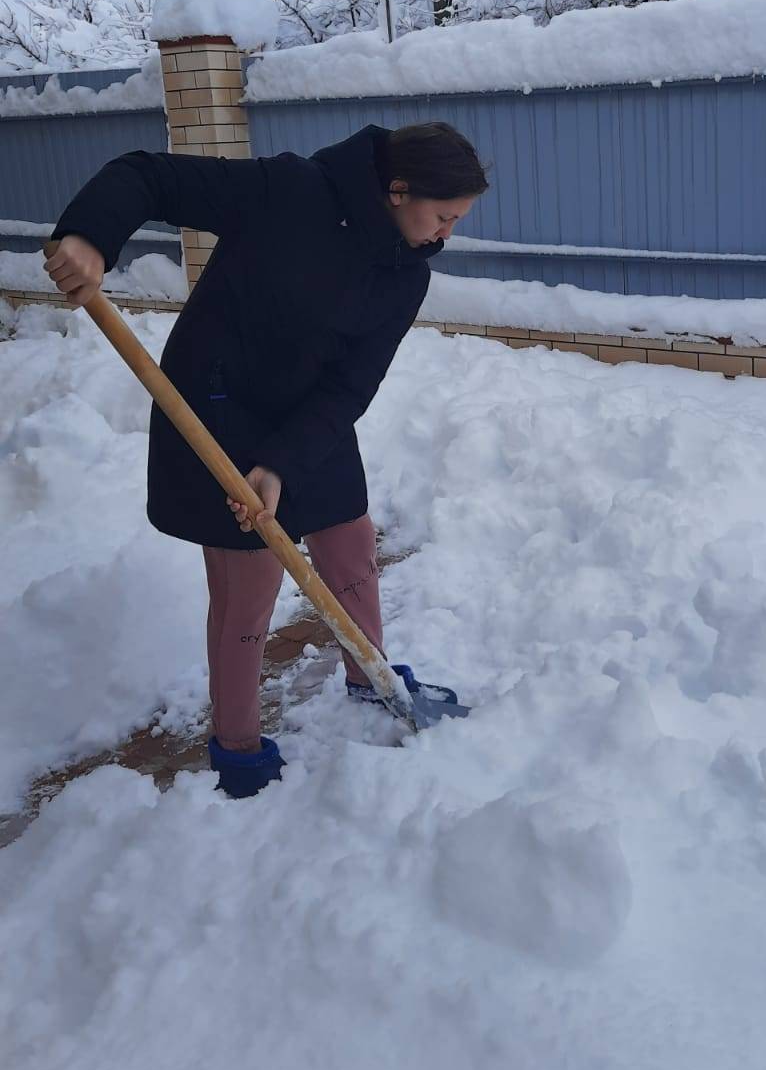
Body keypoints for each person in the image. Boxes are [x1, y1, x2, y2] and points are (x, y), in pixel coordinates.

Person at [45, 122, 489, 798]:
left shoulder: (405, 273)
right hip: (218, 416)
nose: (444, 235)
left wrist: (285, 463)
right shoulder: (289, 192)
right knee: (247, 591)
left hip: (313, 420)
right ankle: (238, 745)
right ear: (398, 191)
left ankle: (371, 675)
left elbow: (352, 382)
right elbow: (148, 175)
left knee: (350, 545)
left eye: (456, 221)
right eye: (442, 216)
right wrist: (89, 237)